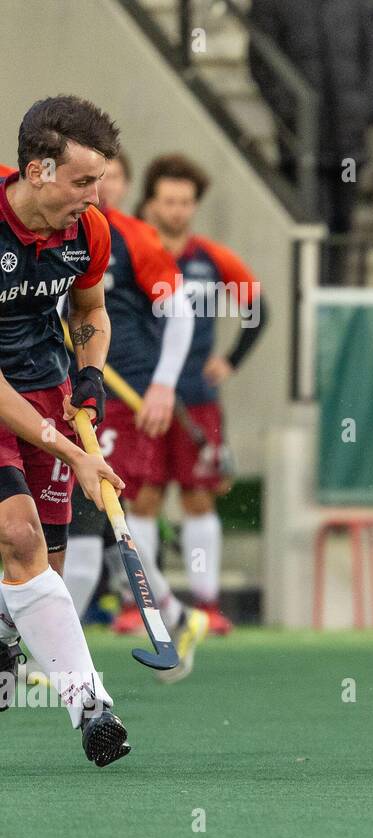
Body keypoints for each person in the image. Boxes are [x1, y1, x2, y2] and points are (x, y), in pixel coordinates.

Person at [0, 96, 132, 766]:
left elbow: (91, 310)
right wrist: (69, 451)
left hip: (45, 388)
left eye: (100, 180)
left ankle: (4, 625)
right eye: (83, 181)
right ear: (37, 171)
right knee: (17, 535)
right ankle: (92, 705)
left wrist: (89, 373)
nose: (96, 195)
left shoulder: (90, 232)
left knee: (40, 569)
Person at [59, 152, 211, 681]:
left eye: (110, 179)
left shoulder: (131, 237)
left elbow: (181, 311)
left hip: (122, 396)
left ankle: (55, 658)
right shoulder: (54, 229)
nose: (101, 189)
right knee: (81, 520)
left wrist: (164, 385)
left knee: (90, 516)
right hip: (67, 392)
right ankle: (175, 613)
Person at [131, 154, 265, 637]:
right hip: (139, 398)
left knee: (197, 499)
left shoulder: (211, 259)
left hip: (197, 400)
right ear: (150, 202)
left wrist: (229, 361)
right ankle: (141, 607)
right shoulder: (131, 252)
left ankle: (207, 604)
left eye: (186, 202)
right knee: (142, 499)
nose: (178, 211)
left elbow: (258, 308)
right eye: (169, 200)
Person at [248, 0, 373, 234]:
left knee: (343, 219)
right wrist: (289, 111)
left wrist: (365, 109)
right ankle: (313, 272)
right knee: (311, 222)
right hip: (302, 144)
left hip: (350, 147)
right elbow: (261, 59)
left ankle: (335, 272)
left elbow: (371, 52)